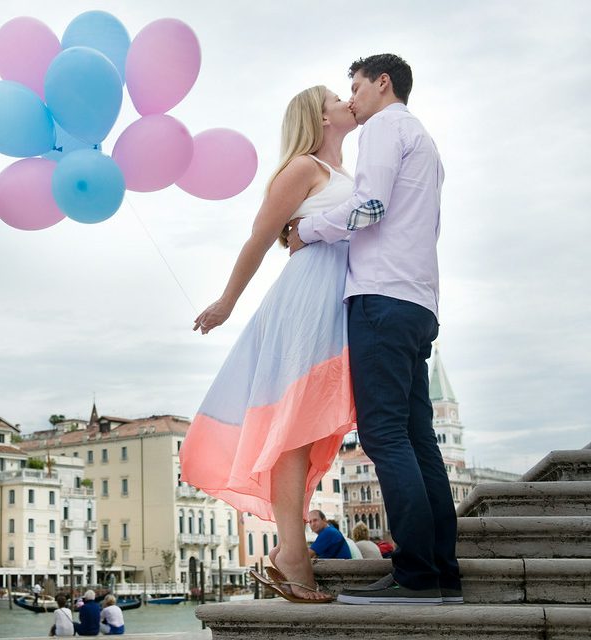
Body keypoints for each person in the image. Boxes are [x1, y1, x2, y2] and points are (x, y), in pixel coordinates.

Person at [289, 53, 460, 606]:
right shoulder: (425, 141)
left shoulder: (385, 127)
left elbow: (370, 207)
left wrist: (308, 229)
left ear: (382, 84)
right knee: (417, 439)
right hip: (418, 302)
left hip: (382, 301)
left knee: (385, 436)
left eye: (357, 87)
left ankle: (414, 575)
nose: (353, 99)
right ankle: (442, 573)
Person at [179, 83, 358, 603]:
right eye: (335, 98)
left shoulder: (348, 173)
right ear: (319, 118)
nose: (346, 102)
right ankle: (292, 553)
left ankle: (288, 552)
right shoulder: (303, 168)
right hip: (306, 303)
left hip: (340, 304)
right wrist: (226, 303)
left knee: (307, 430)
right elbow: (259, 237)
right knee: (293, 431)